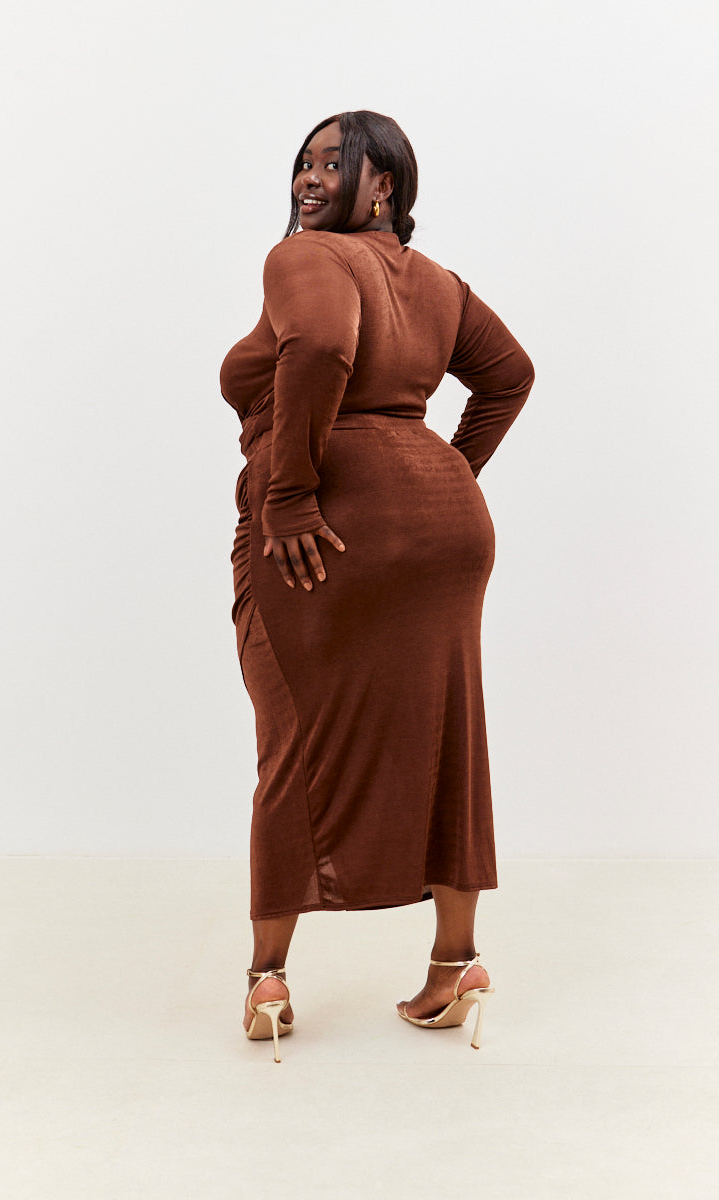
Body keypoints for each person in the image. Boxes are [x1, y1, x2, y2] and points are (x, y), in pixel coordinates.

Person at [220, 110, 534, 1062]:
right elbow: (509, 375)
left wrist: (290, 496)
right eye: (303, 162)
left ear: (384, 184)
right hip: (445, 525)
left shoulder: (303, 258)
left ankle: (268, 978)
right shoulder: (439, 284)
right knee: (448, 727)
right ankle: (455, 965)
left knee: (294, 731)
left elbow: (320, 347)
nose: (309, 179)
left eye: (334, 162)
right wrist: (444, 471)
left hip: (329, 522)